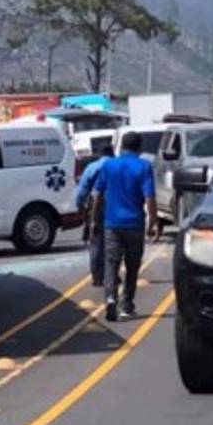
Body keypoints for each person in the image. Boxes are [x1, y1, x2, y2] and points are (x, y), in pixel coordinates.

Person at [90, 132, 160, 322]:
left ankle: (110, 298)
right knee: (132, 265)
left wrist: (95, 219)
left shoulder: (109, 165)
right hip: (134, 223)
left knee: (111, 262)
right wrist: (153, 221)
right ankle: (126, 304)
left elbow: (97, 194)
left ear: (121, 146)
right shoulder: (143, 166)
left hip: (112, 223)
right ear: (139, 148)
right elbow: (149, 197)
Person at [75, 146, 116, 287]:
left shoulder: (92, 167)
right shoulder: (117, 166)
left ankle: (97, 276)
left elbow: (82, 190)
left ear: (100, 154)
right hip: (116, 206)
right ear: (113, 153)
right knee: (114, 242)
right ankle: (112, 275)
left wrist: (80, 207)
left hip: (96, 207)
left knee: (96, 242)